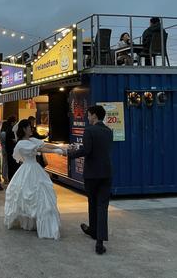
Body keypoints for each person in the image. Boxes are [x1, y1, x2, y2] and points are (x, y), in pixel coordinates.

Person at [4, 119, 64, 239]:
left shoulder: (31, 140)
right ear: (24, 129)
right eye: (29, 127)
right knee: (32, 195)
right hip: (29, 168)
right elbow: (38, 149)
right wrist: (56, 151)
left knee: (39, 195)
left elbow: (44, 144)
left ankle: (37, 223)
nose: (31, 129)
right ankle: (33, 222)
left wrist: (59, 147)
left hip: (33, 168)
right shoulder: (21, 144)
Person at [67, 105, 113, 255]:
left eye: (89, 115)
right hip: (106, 173)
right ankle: (98, 240)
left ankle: (94, 231)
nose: (87, 117)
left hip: (92, 174)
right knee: (102, 206)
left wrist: (70, 153)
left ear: (94, 115)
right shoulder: (108, 131)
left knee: (92, 203)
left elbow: (86, 151)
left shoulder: (89, 131)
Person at [5, 116, 19, 181]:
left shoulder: (8, 129)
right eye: (15, 122)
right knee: (13, 166)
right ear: (12, 122)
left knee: (10, 166)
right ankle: (12, 180)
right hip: (12, 150)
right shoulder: (12, 130)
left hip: (9, 150)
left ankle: (11, 179)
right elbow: (14, 140)